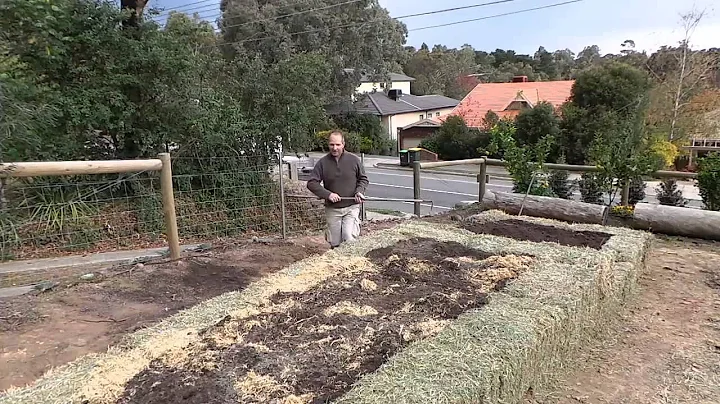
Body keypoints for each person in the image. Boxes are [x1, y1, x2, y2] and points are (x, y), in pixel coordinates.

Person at [307, 130, 369, 248]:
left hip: (351, 207)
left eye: (338, 144)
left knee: (348, 236)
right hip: (333, 209)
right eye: (332, 144)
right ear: (328, 145)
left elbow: (363, 179)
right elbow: (311, 183)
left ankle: (352, 262)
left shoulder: (354, 160)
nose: (335, 148)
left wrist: (359, 192)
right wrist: (328, 194)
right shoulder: (322, 163)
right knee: (335, 242)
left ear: (343, 144)